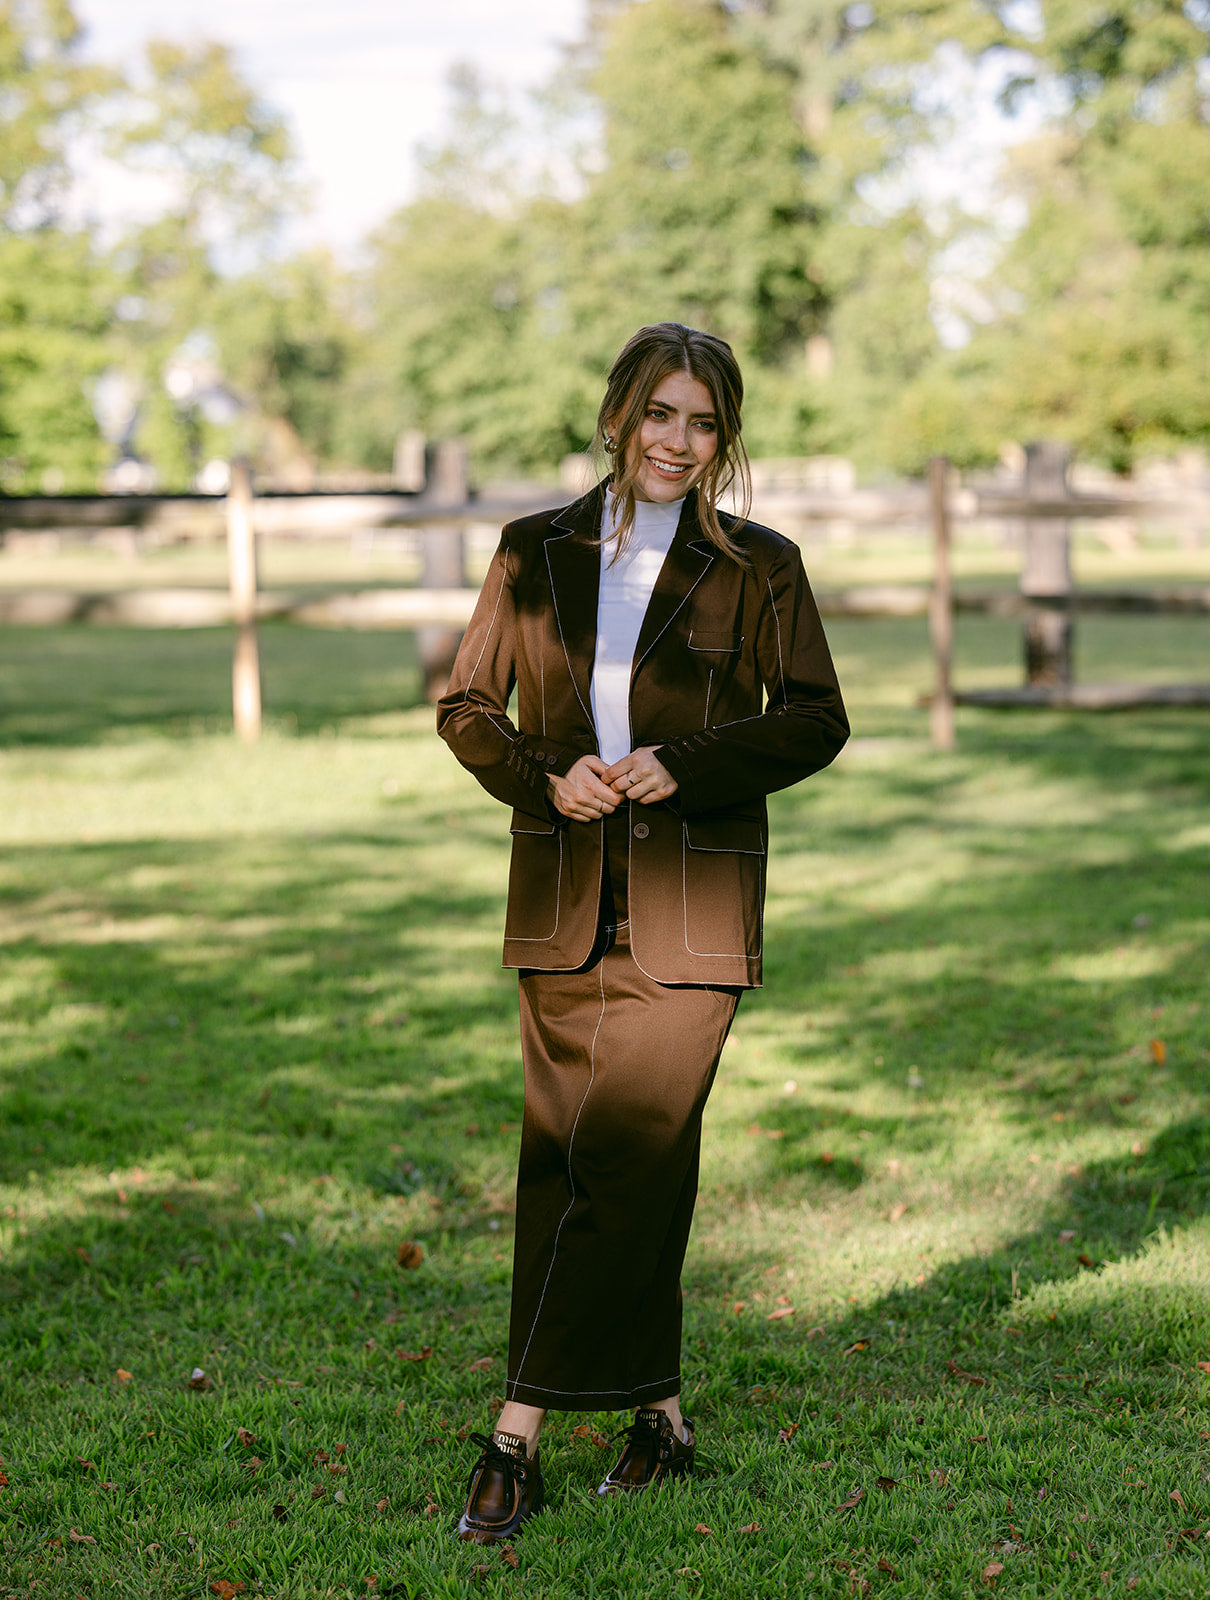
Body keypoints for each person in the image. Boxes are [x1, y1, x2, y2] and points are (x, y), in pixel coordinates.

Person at [436, 322, 848, 1542]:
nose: (678, 441)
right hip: (561, 900)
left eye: (703, 422)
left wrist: (687, 762)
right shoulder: (532, 551)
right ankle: (658, 1423)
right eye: (660, 413)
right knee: (571, 1163)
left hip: (692, 910)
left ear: (724, 437)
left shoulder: (760, 566)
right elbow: (466, 706)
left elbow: (815, 717)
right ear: (618, 414)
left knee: (627, 1156)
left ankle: (514, 1435)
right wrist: (540, 772)